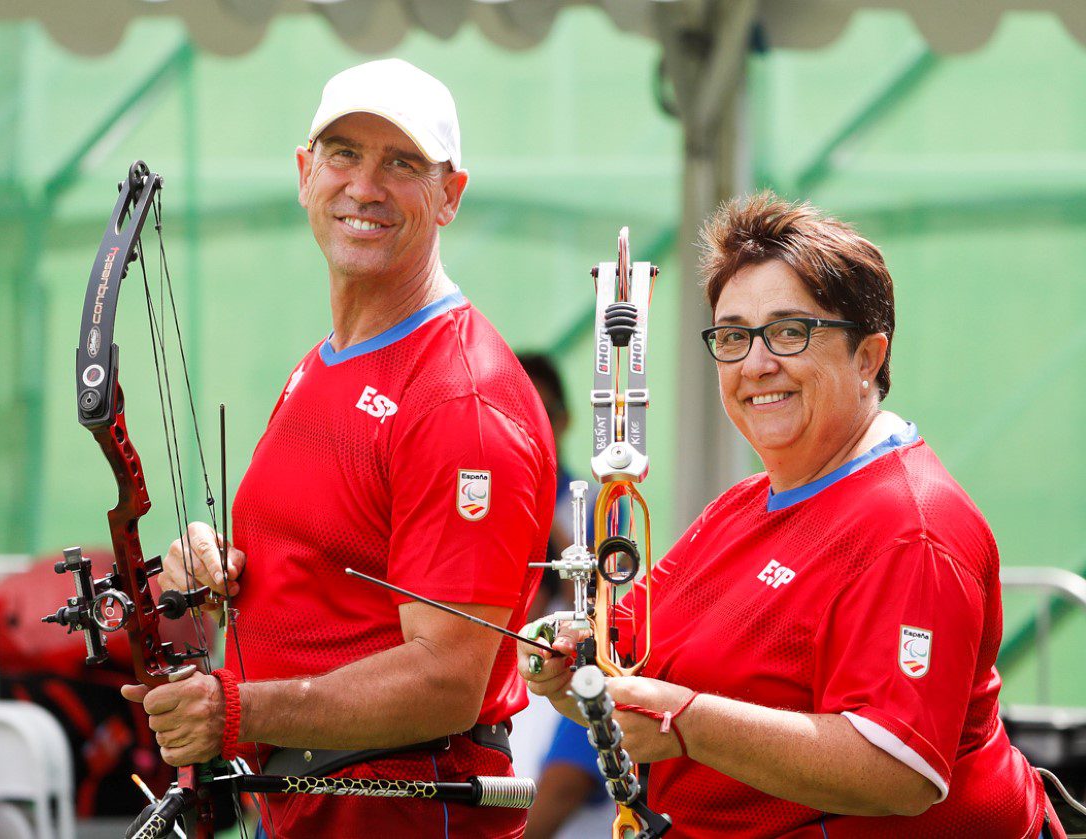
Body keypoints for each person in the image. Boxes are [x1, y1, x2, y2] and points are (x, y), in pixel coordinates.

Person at [519, 192, 1065, 838]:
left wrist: (684, 721)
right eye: (732, 336)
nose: (755, 363)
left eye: (788, 331)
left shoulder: (915, 524)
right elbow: (627, 656)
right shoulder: (745, 504)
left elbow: (898, 766)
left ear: (868, 356)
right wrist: (565, 662)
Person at [123, 59, 556, 839]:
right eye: (345, 153)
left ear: (450, 196)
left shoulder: (463, 399)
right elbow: (319, 559)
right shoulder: (325, 362)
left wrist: (237, 708)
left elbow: (446, 679)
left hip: (398, 815)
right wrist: (219, 563)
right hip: (300, 804)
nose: (366, 185)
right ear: (304, 172)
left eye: (403, 163)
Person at [511, 352, 616, 839]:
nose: (528, 428)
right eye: (512, 412)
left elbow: (564, 785)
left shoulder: (596, 507)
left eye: (543, 413)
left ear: (566, 419)